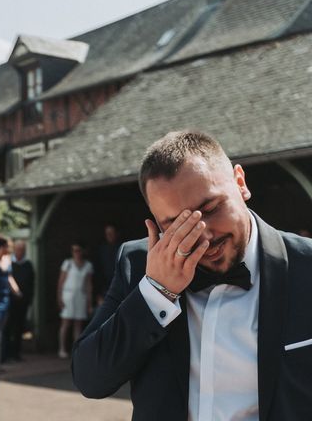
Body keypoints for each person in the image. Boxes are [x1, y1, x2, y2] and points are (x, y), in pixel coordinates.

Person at [72, 130, 312, 420]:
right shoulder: (138, 265)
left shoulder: (306, 265)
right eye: (175, 226)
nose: (203, 236)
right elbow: (90, 379)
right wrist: (156, 292)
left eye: (210, 209)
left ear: (240, 182)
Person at [57, 242, 93, 359]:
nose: (76, 253)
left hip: (80, 296)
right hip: (68, 295)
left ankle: (75, 349)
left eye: (78, 250)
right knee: (66, 323)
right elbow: (60, 282)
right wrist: (59, 297)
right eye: (74, 250)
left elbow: (88, 285)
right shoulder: (67, 264)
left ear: (82, 251)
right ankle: (62, 348)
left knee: (78, 324)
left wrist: (89, 302)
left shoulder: (88, 265)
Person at [4, 239, 34, 362]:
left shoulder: (28, 265)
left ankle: (16, 353)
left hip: (23, 302)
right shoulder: (8, 263)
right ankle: (7, 353)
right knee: (8, 327)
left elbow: (32, 283)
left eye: (22, 249)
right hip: (10, 302)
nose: (20, 252)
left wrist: (29, 299)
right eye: (18, 249)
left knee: (19, 327)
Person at [93, 224, 120, 305]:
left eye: (111, 233)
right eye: (107, 233)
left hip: (119, 288)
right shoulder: (101, 250)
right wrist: (98, 294)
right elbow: (98, 272)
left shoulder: (123, 248)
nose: (109, 236)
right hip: (104, 289)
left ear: (117, 234)